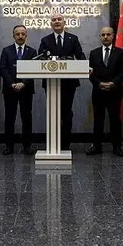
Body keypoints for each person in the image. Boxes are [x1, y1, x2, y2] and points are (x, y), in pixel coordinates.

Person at [38, 13, 85, 150]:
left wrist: (85, 66)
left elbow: (79, 55)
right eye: (54, 20)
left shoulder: (73, 38)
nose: (57, 21)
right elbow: (41, 58)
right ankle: (53, 143)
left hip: (69, 82)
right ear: (51, 24)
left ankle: (65, 144)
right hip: (50, 82)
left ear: (64, 23)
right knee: (53, 112)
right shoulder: (45, 40)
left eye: (59, 19)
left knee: (66, 113)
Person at [86, 27, 123, 157]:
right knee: (98, 119)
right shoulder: (94, 53)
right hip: (98, 92)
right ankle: (96, 146)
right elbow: (90, 73)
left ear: (113, 36)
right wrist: (99, 84)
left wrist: (113, 83)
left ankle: (117, 146)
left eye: (108, 34)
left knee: (115, 119)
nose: (105, 37)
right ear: (100, 36)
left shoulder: (120, 53)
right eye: (103, 35)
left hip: (114, 91)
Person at [0, 25, 37, 156]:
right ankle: (9, 146)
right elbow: (3, 68)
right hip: (10, 90)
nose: (20, 36)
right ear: (13, 36)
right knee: (10, 117)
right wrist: (12, 84)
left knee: (26, 118)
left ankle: (27, 146)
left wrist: (23, 83)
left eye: (23, 34)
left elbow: (34, 70)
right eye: (17, 34)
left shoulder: (32, 51)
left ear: (26, 35)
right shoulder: (6, 50)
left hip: (26, 90)